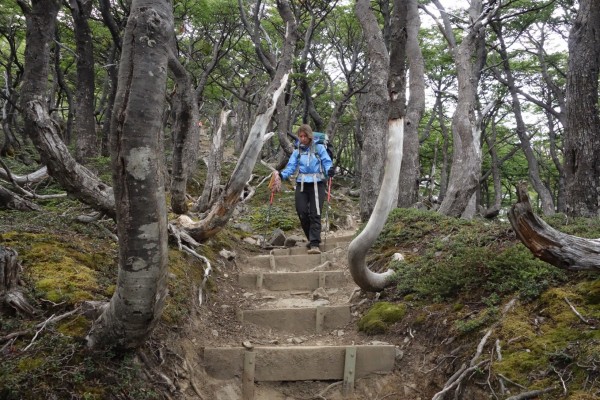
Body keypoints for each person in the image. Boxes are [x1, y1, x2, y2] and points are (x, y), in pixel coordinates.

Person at [273, 124, 334, 254]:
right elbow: (291, 167)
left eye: (305, 136)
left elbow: (327, 162)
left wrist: (330, 171)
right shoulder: (297, 151)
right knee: (302, 212)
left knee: (315, 213)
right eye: (300, 136)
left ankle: (314, 244)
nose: (302, 138)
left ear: (309, 135)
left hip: (317, 183)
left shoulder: (319, 148)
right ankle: (311, 238)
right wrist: (281, 175)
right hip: (301, 184)